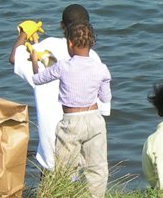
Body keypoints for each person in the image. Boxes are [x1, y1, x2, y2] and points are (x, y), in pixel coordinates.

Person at [8, 4, 110, 171]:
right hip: (84, 129)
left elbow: (14, 59)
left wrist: (24, 34)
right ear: (88, 27)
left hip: (51, 134)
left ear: (62, 25)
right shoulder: (93, 58)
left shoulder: (44, 48)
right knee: (78, 178)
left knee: (51, 180)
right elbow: (103, 104)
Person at [31, 21, 111, 198]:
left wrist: (35, 61)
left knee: (66, 169)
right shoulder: (101, 69)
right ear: (92, 44)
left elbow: (37, 80)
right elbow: (106, 98)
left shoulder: (63, 66)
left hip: (71, 122)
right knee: (97, 168)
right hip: (95, 120)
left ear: (70, 43)